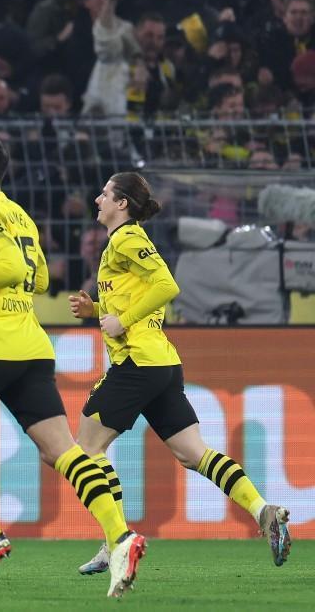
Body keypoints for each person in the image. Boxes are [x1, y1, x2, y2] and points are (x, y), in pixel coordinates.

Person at [0, 130, 144, 597]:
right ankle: (121, 536)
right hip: (31, 346)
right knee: (60, 450)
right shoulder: (19, 214)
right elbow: (40, 277)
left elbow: (14, 271)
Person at [69, 172, 291, 575]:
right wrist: (98, 310)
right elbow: (137, 298)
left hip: (137, 363)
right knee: (193, 454)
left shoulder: (126, 238)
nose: (97, 198)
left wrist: (122, 320)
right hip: (161, 364)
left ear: (122, 204)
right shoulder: (123, 242)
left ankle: (117, 541)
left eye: (104, 193)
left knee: (85, 449)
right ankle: (264, 511)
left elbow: (166, 285)